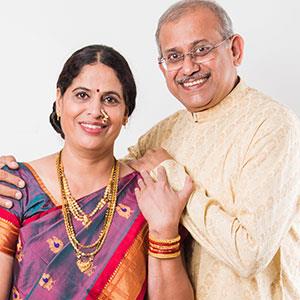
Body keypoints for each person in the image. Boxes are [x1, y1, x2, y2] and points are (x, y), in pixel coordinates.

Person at [0, 0, 300, 299]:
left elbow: (251, 254)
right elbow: (102, 172)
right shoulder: (163, 135)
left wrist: (173, 176)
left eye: (202, 49)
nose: (188, 67)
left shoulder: (271, 125)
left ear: (234, 50)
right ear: (59, 99)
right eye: (174, 56)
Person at [0, 44, 194, 299]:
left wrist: (164, 230)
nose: (95, 111)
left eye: (110, 99)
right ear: (59, 101)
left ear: (126, 114)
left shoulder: (148, 194)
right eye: (82, 95)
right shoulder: (17, 186)